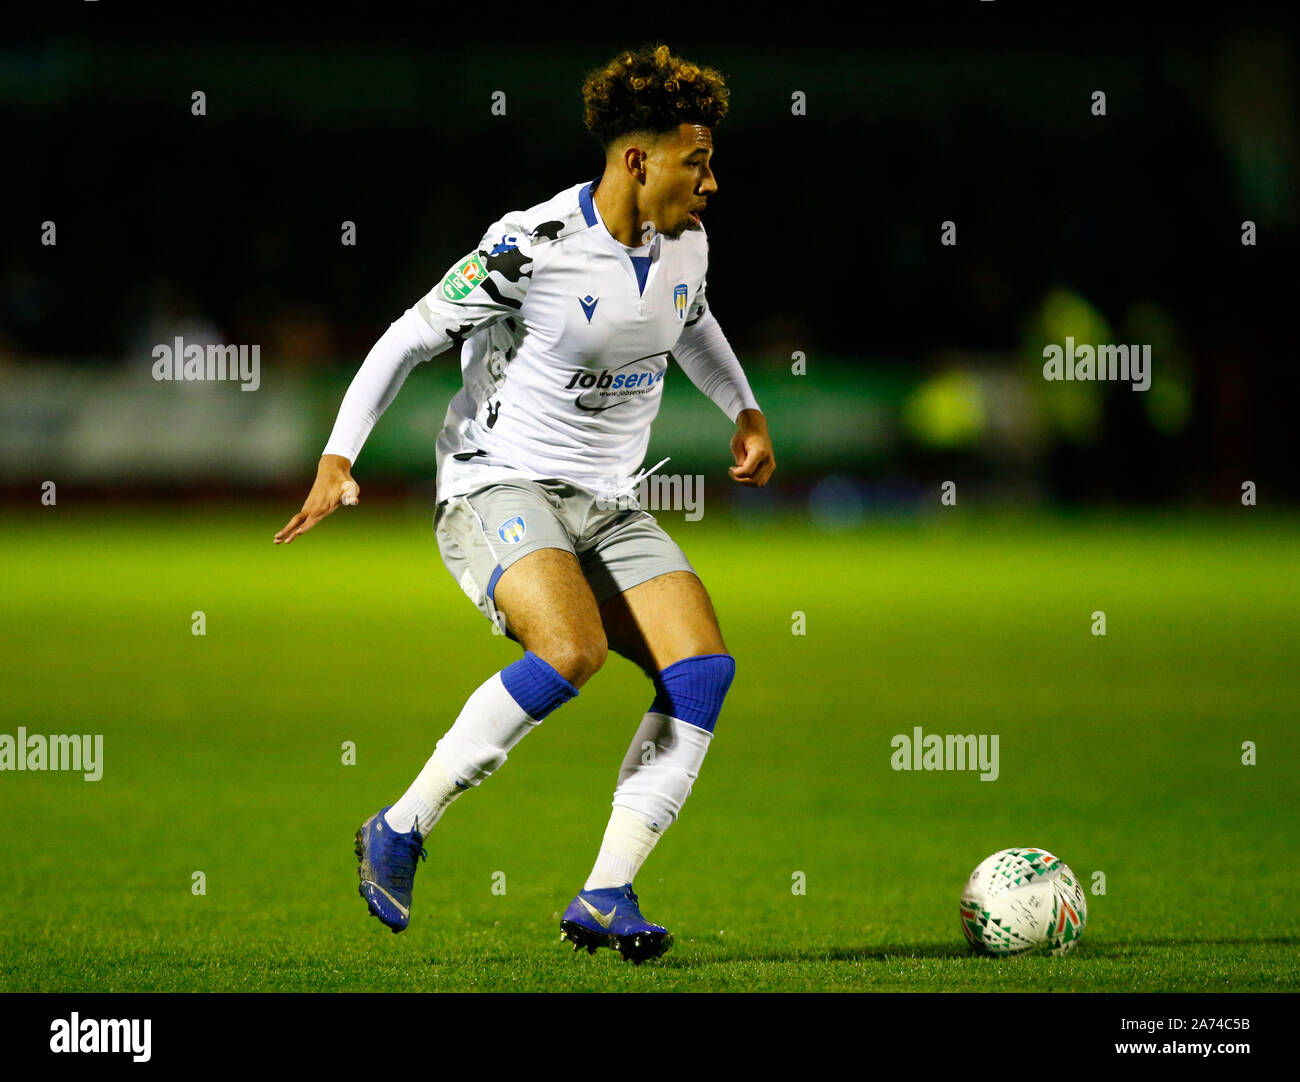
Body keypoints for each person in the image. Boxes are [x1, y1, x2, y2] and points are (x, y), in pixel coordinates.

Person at [274, 42, 774, 963]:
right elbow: (406, 336)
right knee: (571, 648)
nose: (711, 180)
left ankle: (606, 894)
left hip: (610, 502)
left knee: (701, 670)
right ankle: (402, 824)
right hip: (494, 482)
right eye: (695, 160)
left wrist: (741, 406)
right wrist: (338, 458)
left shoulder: (687, 244)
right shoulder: (530, 244)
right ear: (638, 159)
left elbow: (691, 318)